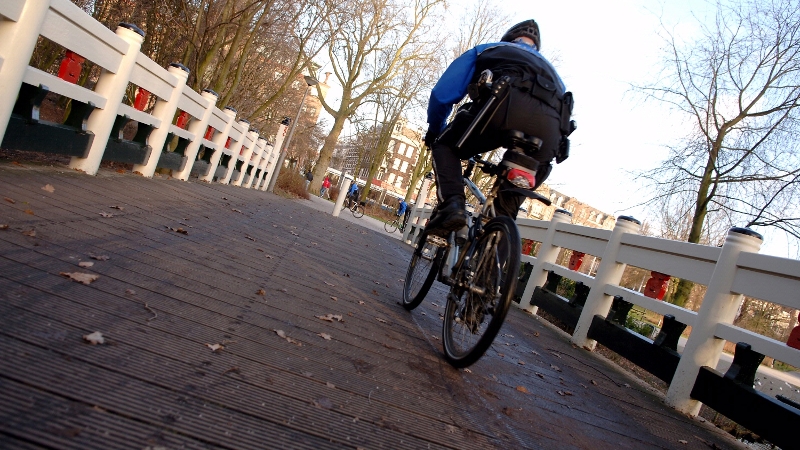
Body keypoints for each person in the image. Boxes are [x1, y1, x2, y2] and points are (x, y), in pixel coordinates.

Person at [423, 19, 575, 236]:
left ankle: (452, 207)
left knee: (445, 145)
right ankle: (493, 252)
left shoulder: (491, 49)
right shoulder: (555, 76)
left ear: (511, 39)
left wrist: (435, 129)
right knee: (502, 215)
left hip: (503, 106)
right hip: (550, 130)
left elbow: (442, 94)